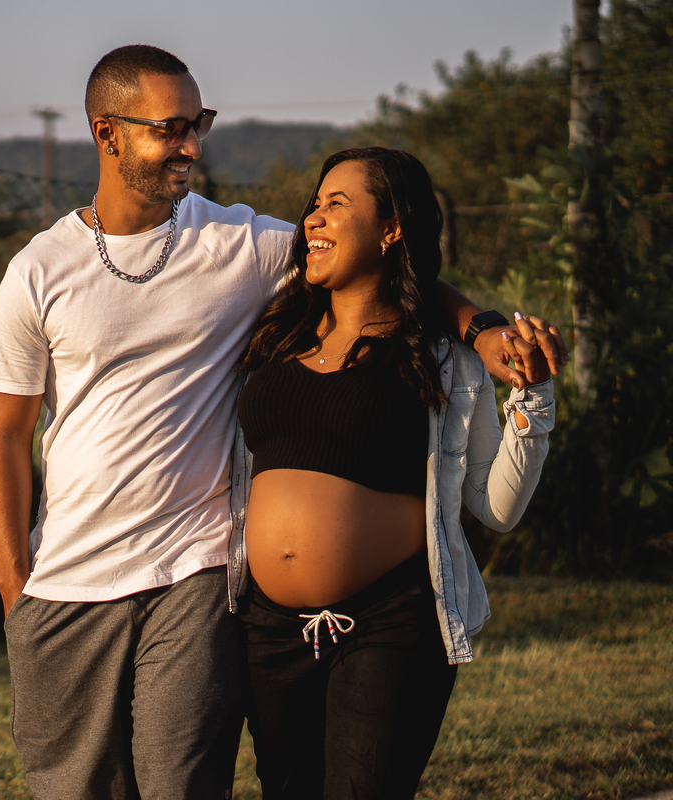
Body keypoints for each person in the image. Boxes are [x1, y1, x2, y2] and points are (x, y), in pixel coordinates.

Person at [0, 46, 564, 800]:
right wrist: (12, 585)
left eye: (199, 124)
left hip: (192, 578)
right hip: (66, 583)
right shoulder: (39, 269)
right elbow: (4, 438)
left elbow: (387, 266)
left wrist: (481, 327)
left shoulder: (241, 244)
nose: (192, 145)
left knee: (184, 788)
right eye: (170, 128)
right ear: (107, 133)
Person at [236, 147, 556, 799]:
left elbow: (497, 508)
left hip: (389, 622)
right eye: (313, 204)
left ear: (392, 229)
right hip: (267, 629)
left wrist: (535, 399)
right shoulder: (274, 331)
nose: (313, 220)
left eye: (337, 204)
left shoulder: (439, 361)